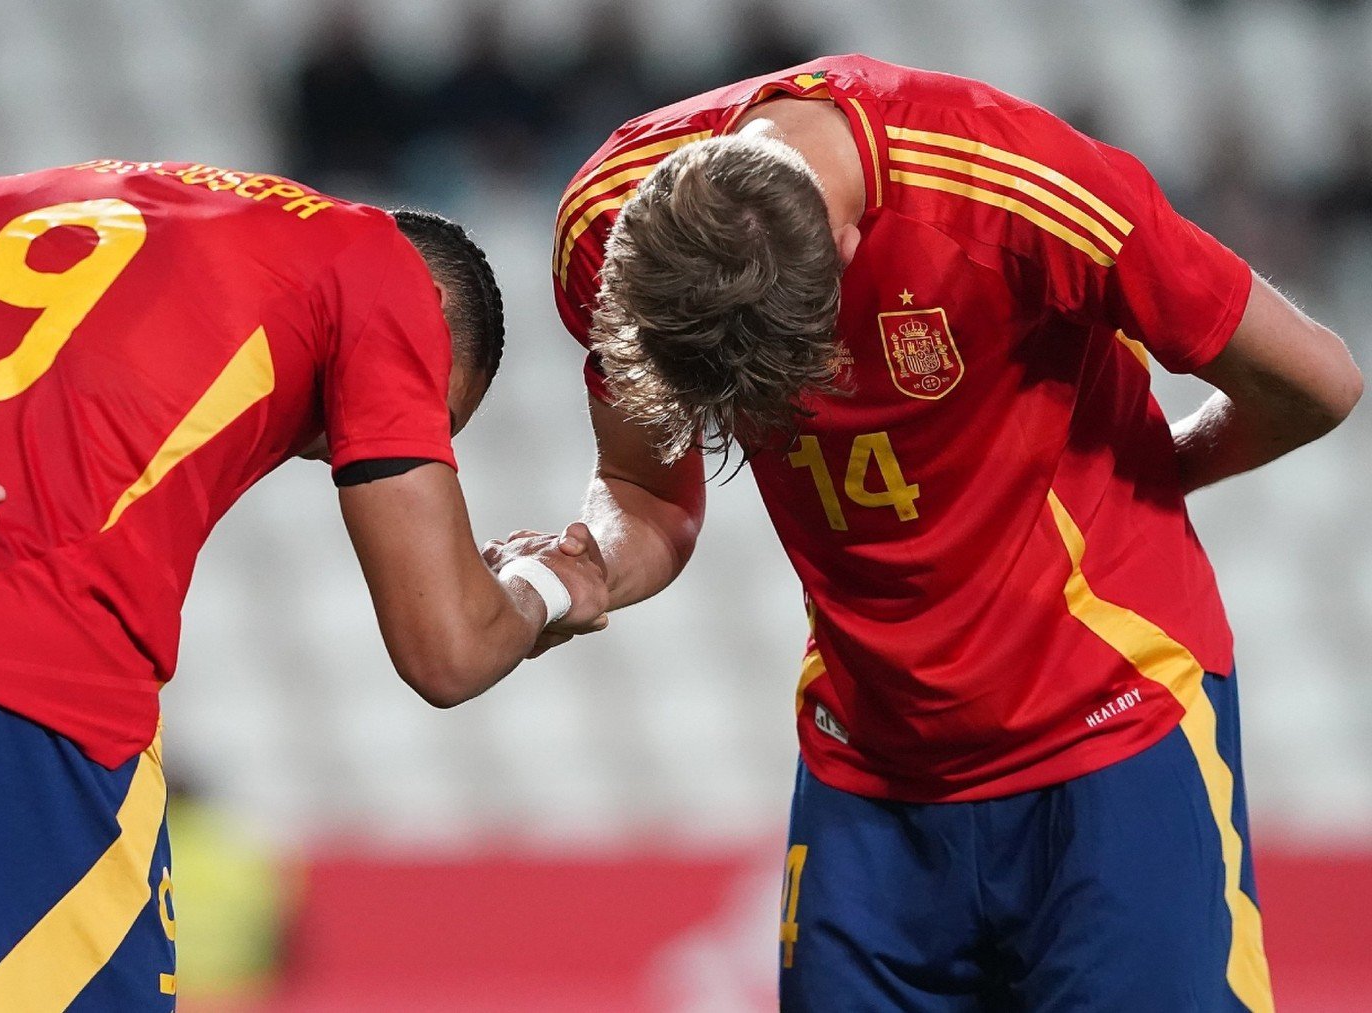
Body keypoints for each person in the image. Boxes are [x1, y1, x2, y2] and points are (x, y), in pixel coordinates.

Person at [0, 157, 608, 1012]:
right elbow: (446, 646)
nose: (330, 448)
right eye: (405, 419)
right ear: (430, 331)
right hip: (15, 713)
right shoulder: (378, 267)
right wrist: (541, 589)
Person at [492, 55, 1361, 1010]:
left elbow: (1318, 381)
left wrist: (1167, 461)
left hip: (1113, 738)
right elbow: (641, 489)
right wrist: (583, 572)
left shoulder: (1025, 185)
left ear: (855, 251)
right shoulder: (609, 228)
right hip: (866, 771)